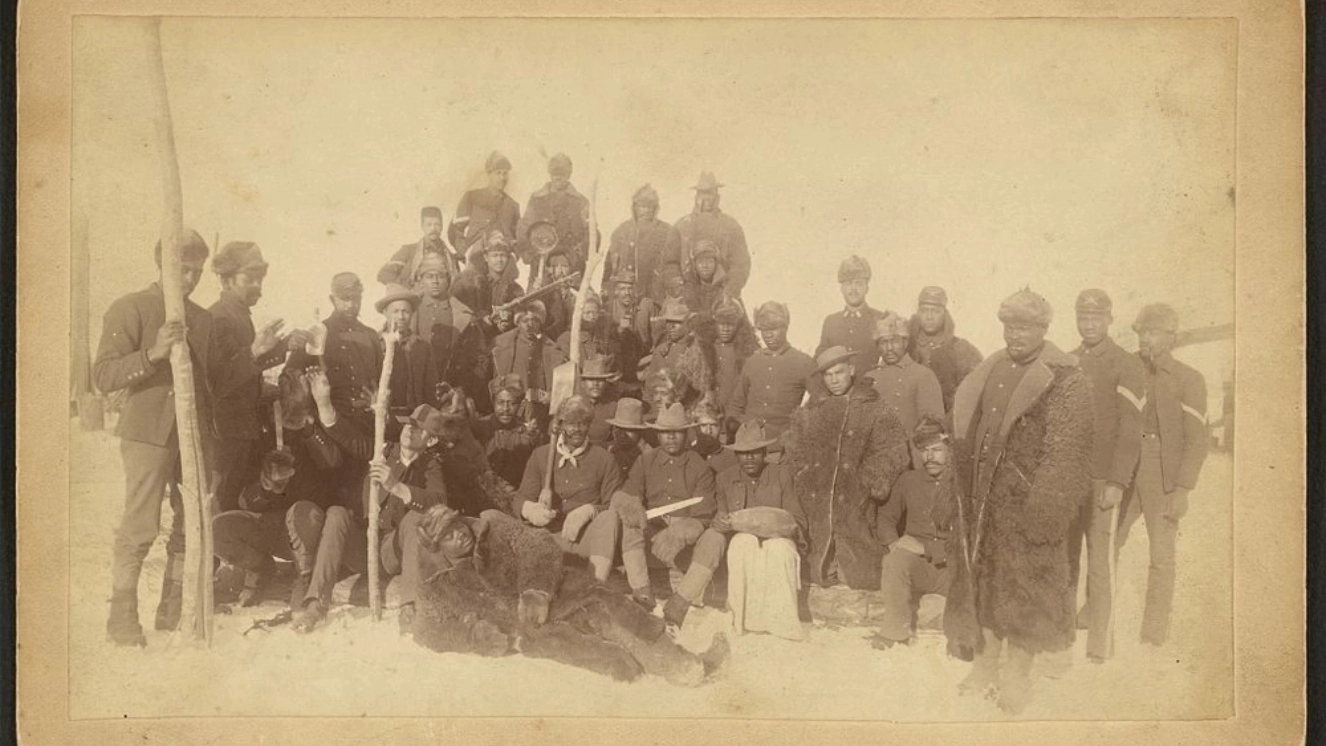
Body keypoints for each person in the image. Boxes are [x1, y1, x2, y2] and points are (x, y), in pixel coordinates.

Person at [93, 232, 264, 644]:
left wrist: (256, 354)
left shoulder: (202, 320)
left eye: (196, 272)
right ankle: (122, 620)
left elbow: (215, 383)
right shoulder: (130, 307)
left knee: (193, 522)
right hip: (149, 434)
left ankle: (173, 611)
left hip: (194, 435)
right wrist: (153, 353)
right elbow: (102, 377)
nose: (189, 279)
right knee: (141, 525)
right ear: (162, 266)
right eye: (181, 270)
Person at [943, 288, 1094, 715]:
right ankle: (987, 663)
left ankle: (1017, 673)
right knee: (986, 581)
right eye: (1010, 326)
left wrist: (1045, 511)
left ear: (1043, 330)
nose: (1016, 334)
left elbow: (1068, 453)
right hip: (983, 501)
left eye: (1025, 326)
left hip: (1028, 506)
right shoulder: (990, 369)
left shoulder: (1065, 379)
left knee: (1026, 590)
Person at [409, 505, 727, 685]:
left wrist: (536, 589)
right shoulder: (438, 585)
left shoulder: (491, 526)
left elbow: (538, 544)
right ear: (438, 548)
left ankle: (684, 665)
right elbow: (429, 630)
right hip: (531, 632)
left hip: (561, 595)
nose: (459, 535)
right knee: (601, 655)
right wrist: (477, 636)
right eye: (448, 536)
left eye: (457, 525)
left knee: (614, 613)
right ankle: (649, 671)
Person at [1117, 303, 1208, 647]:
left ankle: (1153, 633)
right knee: (1109, 541)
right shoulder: (1127, 369)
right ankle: (1098, 617)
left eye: (1153, 332)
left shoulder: (1189, 379)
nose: (1145, 339)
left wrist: (1182, 487)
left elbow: (1197, 439)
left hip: (1163, 470)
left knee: (1161, 554)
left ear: (1170, 337)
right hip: (1125, 467)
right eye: (1141, 332)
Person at [782, 346, 910, 590]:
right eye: (828, 375)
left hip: (856, 497)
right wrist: (804, 475)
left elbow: (893, 450)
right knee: (815, 553)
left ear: (851, 370)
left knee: (859, 561)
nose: (834, 380)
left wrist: (868, 480)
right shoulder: (814, 409)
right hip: (817, 497)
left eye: (839, 373)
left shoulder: (874, 407)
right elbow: (795, 446)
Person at [1066, 289, 1146, 663]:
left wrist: (1117, 482)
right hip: (1070, 481)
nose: (1089, 324)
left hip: (1103, 482)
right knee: (1066, 561)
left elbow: (1132, 431)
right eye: (1083, 317)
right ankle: (1062, 636)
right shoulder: (1068, 361)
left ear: (1109, 319)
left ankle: (1100, 647)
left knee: (1100, 566)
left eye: (1096, 317)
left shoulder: (1125, 363)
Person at [208, 242, 309, 513]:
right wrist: (261, 351)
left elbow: (246, 368)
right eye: (249, 279)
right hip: (223, 434)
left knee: (232, 505)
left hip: (241, 431)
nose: (258, 287)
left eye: (260, 279)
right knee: (218, 505)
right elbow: (222, 380)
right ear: (227, 279)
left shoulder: (238, 315)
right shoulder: (218, 319)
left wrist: (283, 346)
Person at [611, 402, 726, 625]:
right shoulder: (645, 461)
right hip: (652, 540)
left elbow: (704, 514)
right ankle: (643, 594)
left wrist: (681, 531)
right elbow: (629, 494)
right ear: (657, 434)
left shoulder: (700, 466)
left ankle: (679, 604)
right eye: (665, 433)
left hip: (685, 546)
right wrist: (635, 511)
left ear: (685, 433)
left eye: (676, 432)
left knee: (716, 538)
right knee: (630, 522)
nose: (670, 438)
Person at [710, 420, 806, 640]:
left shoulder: (782, 475)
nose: (750, 458)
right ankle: (740, 620)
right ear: (736, 455)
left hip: (778, 536)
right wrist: (719, 523)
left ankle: (783, 625)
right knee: (742, 543)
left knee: (780, 549)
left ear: (764, 453)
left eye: (755, 452)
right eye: (744, 453)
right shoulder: (725, 479)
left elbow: (797, 518)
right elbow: (721, 515)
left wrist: (782, 528)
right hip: (743, 538)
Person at [515, 396, 624, 582]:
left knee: (609, 518)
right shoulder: (541, 455)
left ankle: (595, 586)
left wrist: (589, 511)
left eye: (583, 424)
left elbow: (613, 505)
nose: (577, 430)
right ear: (560, 425)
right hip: (548, 540)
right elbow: (520, 498)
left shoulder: (604, 459)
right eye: (571, 424)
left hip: (585, 542)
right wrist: (531, 510)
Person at [871, 417, 955, 650]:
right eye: (924, 451)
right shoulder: (909, 480)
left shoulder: (962, 484)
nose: (929, 457)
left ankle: (962, 636)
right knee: (894, 561)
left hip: (952, 566)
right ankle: (894, 632)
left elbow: (971, 537)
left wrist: (928, 549)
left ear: (950, 449)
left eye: (937, 450)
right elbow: (886, 517)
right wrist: (893, 543)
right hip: (917, 565)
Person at [375, 404, 449, 634]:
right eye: (408, 424)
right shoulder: (383, 451)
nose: (409, 429)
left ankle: (409, 605)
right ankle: (314, 602)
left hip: (393, 550)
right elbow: (349, 440)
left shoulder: (430, 467)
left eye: (418, 428)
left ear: (431, 441)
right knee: (337, 515)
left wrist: (397, 487)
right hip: (365, 543)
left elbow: (439, 502)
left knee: (415, 518)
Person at [286, 272, 383, 417]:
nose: (351, 305)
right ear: (332, 299)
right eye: (344, 299)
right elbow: (291, 379)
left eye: (356, 298)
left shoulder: (371, 336)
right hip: (328, 422)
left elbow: (381, 382)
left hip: (366, 420)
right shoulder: (316, 333)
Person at [729, 301, 816, 441]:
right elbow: (737, 404)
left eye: (774, 328)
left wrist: (800, 425)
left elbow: (819, 399)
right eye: (763, 329)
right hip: (750, 440)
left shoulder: (803, 362)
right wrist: (736, 428)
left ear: (786, 327)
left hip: (783, 441)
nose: (768, 335)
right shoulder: (752, 362)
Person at [863, 310, 944, 435]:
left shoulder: (923, 375)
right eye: (884, 342)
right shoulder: (869, 378)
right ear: (878, 346)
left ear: (905, 343)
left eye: (895, 341)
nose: (889, 348)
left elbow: (932, 426)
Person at [491, 300, 569, 426]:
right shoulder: (503, 346)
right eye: (525, 321)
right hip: (511, 411)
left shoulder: (551, 349)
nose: (530, 325)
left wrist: (551, 396)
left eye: (535, 320)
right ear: (518, 323)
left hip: (540, 411)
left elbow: (562, 387)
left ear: (540, 323)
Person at [674, 171, 751, 296]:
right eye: (702, 194)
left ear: (717, 197)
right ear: (696, 197)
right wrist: (677, 284)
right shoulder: (682, 226)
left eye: (710, 193)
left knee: (731, 313)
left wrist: (731, 288)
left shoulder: (730, 226)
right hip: (687, 293)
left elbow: (741, 263)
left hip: (722, 291)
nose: (707, 198)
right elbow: (670, 262)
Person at [603, 183, 683, 304]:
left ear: (655, 208)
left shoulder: (667, 232)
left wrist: (674, 288)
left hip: (654, 294)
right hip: (623, 297)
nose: (646, 210)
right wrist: (606, 289)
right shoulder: (621, 231)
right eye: (642, 206)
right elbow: (610, 266)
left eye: (650, 206)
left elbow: (672, 266)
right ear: (635, 207)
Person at [908, 286, 982, 412]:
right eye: (924, 311)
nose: (929, 317)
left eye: (936, 311)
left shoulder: (961, 349)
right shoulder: (906, 347)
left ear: (945, 314)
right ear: (918, 313)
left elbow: (972, 392)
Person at [516, 153, 589, 275]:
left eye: (562, 174)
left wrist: (575, 256)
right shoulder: (537, 200)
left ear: (569, 174)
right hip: (542, 266)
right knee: (538, 294)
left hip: (572, 267)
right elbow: (524, 229)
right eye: (554, 174)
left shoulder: (581, 202)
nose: (558, 178)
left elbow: (590, 234)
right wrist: (533, 255)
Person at [376, 284, 440, 423]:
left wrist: (424, 421)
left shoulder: (422, 348)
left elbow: (430, 390)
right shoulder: (375, 343)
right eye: (395, 311)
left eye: (405, 311)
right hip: (382, 417)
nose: (401, 317)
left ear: (412, 313)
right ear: (385, 312)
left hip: (413, 417)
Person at [450, 150, 520, 271]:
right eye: (498, 173)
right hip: (476, 259)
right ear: (489, 174)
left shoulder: (512, 205)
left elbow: (519, 238)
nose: (502, 178)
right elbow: (455, 231)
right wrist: (466, 252)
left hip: (503, 261)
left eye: (505, 174)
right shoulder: (472, 197)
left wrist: (513, 255)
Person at [816, 255, 887, 374]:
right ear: (842, 288)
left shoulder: (880, 319)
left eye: (858, 284)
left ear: (866, 288)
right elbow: (819, 360)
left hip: (871, 389)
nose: (853, 289)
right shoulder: (831, 322)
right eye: (849, 284)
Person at [641, 297, 714, 408]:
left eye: (678, 322)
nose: (672, 327)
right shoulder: (660, 350)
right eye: (669, 322)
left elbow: (700, 390)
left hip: (685, 410)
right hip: (658, 409)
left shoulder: (696, 351)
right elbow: (650, 387)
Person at [471, 374, 541, 489]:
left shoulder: (525, 432)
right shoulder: (479, 427)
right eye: (500, 403)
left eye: (512, 403)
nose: (505, 409)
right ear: (493, 402)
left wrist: (532, 436)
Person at [378, 206, 462, 287]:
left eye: (437, 224)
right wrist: (405, 288)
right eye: (428, 224)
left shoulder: (450, 258)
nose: (433, 228)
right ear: (422, 227)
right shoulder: (408, 251)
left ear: (442, 227)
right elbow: (384, 274)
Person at [606, 268, 657, 398]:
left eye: (630, 289)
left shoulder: (646, 306)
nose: (627, 293)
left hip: (643, 362)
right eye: (622, 289)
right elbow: (606, 340)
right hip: (619, 366)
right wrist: (619, 330)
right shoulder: (609, 309)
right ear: (616, 291)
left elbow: (657, 336)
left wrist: (650, 358)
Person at [450, 230, 524, 319]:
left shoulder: (514, 288)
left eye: (503, 255)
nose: (499, 260)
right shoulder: (473, 283)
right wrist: (477, 314)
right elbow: (455, 303)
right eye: (495, 255)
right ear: (486, 257)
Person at [707, 295, 758, 414]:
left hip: (734, 416)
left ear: (738, 325)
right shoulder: (705, 350)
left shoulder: (747, 353)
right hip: (708, 417)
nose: (725, 329)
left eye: (730, 324)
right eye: (721, 323)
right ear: (715, 323)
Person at [411, 253, 473, 347]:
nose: (435, 281)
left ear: (448, 281)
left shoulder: (462, 312)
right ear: (421, 281)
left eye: (440, 277)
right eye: (429, 277)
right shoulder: (411, 310)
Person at [555, 289, 618, 366]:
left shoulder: (601, 336)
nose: (592, 316)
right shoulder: (566, 339)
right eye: (588, 312)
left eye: (595, 312)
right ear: (578, 314)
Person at [576, 355, 621, 448]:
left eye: (600, 380)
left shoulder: (612, 407)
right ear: (582, 383)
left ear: (605, 383)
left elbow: (617, 440)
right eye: (591, 379)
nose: (595, 384)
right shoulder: (571, 405)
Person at [604, 397, 650, 478]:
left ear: (639, 431)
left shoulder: (648, 456)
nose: (622, 435)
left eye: (629, 430)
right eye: (618, 429)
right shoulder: (608, 450)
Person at [682, 239, 731, 314]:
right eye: (700, 262)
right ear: (694, 265)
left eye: (709, 261)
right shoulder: (685, 288)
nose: (705, 266)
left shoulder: (727, 288)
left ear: (716, 264)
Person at [690, 397, 737, 475]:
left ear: (721, 426)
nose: (709, 431)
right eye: (703, 425)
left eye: (714, 425)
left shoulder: (731, 457)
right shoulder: (688, 455)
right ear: (695, 427)